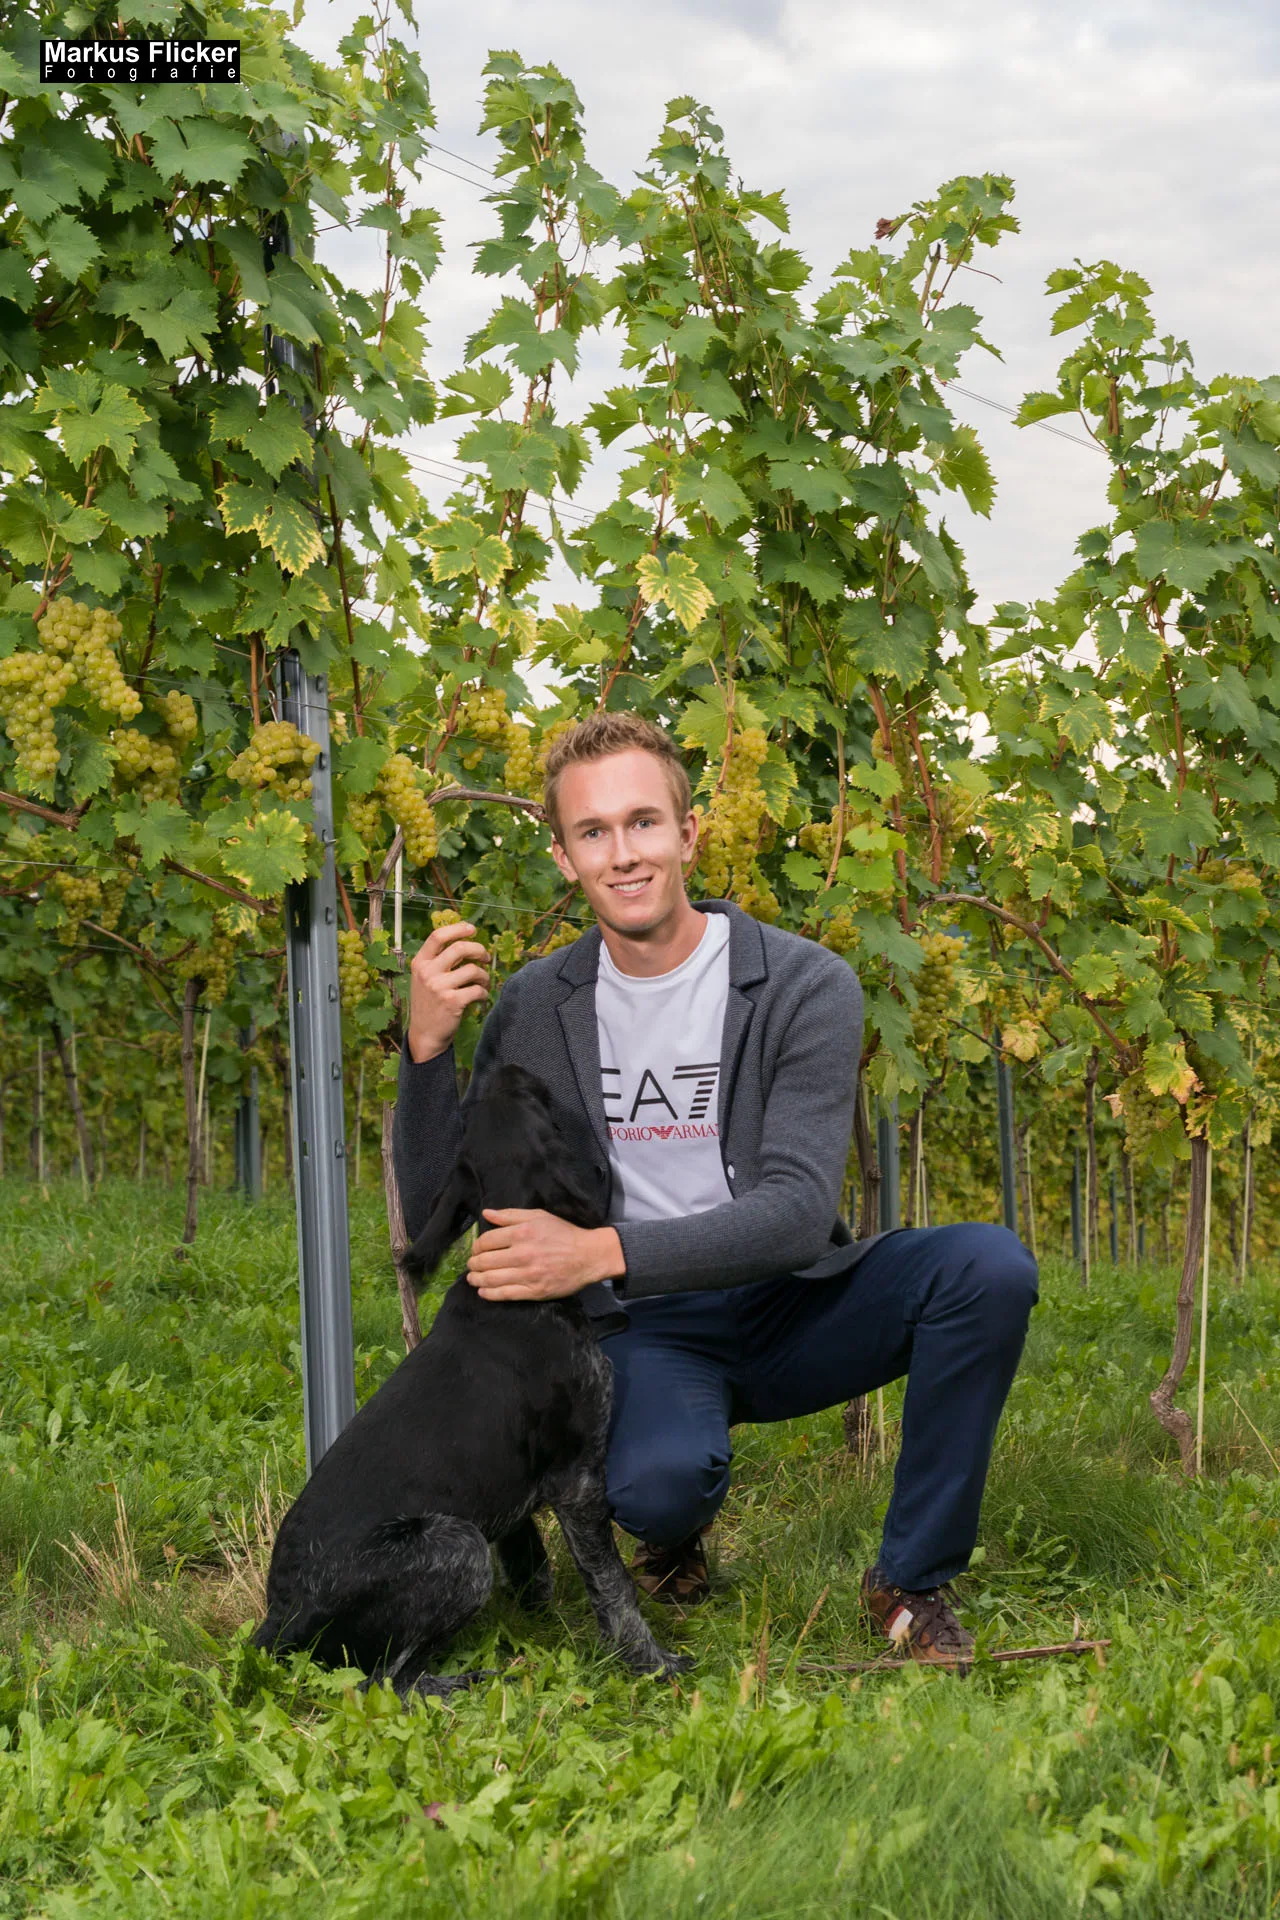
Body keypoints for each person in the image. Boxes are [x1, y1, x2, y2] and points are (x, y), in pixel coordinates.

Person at [393, 710, 1038, 1663]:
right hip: (643, 1326)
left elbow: (792, 1211)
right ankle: (676, 1526)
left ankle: (909, 1577)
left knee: (986, 1268)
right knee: (657, 1486)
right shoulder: (535, 1005)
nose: (624, 854)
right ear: (565, 858)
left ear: (688, 834)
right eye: (593, 832)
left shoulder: (804, 987)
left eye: (644, 822)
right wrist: (426, 1052)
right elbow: (441, 1208)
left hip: (792, 1301)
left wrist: (594, 1251)